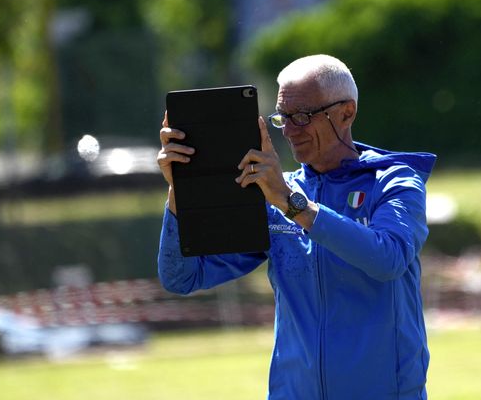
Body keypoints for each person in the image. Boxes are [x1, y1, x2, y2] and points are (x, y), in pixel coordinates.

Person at [157, 54, 436, 399]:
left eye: (302, 117)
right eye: (282, 118)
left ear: (346, 113)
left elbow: (388, 259)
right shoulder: (275, 195)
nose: (289, 131)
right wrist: (179, 190)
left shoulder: (394, 181)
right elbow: (182, 277)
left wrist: (292, 204)